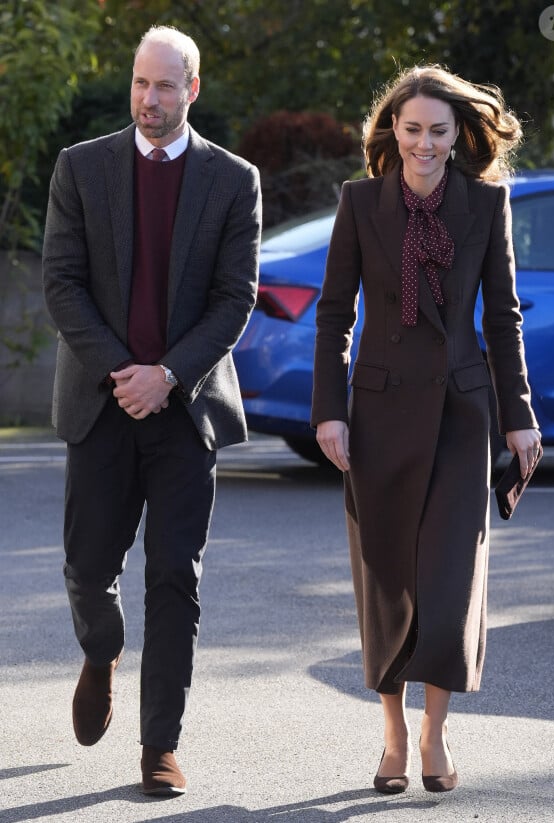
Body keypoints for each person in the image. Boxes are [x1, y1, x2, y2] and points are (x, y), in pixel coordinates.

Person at [43, 25, 261, 796]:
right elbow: (62, 282)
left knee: (175, 576)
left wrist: (167, 374)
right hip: (101, 407)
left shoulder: (233, 180)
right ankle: (101, 652)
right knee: (86, 570)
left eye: (166, 85)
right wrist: (123, 373)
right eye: (142, 82)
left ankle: (159, 745)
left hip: (185, 411)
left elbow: (236, 297)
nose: (150, 98)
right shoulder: (81, 167)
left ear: (192, 90)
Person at [311, 65, 541, 794]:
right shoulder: (359, 204)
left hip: (459, 417)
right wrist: (329, 409)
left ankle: (436, 733)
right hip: (376, 418)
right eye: (411, 129)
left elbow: (502, 317)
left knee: (447, 587)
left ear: (457, 135)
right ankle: (392, 732)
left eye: (438, 131)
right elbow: (333, 315)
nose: (424, 144)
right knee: (388, 585)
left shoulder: (484, 205)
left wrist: (520, 418)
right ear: (393, 133)